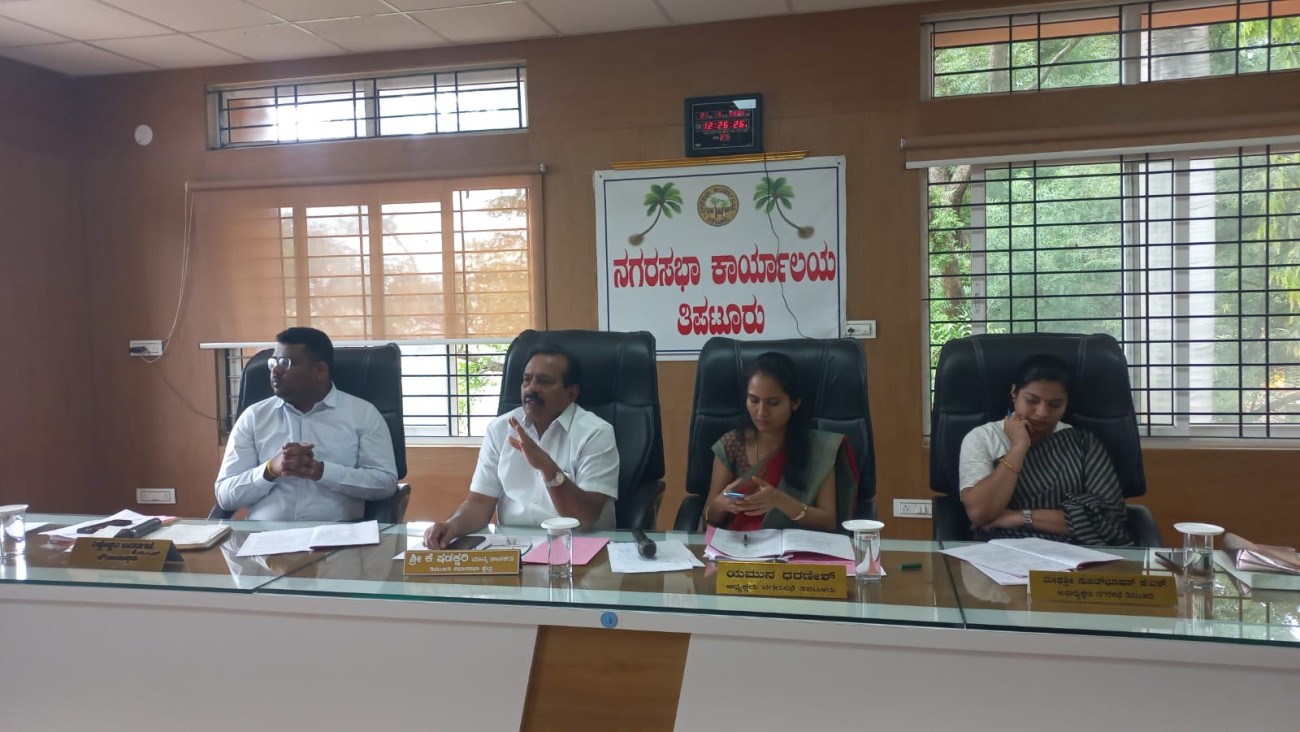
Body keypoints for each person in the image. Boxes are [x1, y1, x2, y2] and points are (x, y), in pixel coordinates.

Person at [423, 344, 619, 548]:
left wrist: (548, 469)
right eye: (526, 380)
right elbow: (479, 503)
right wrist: (452, 525)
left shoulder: (595, 433)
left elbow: (585, 518)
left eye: (544, 381)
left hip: (579, 548)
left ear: (571, 393)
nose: (531, 388)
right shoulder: (500, 429)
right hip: (513, 548)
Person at [214, 327, 398, 521]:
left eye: (285, 363)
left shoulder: (363, 414)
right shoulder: (253, 417)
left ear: (320, 370)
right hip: (265, 535)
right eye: (273, 363)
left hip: (337, 535)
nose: (275, 370)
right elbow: (225, 495)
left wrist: (323, 472)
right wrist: (270, 470)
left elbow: (385, 483)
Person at [958, 353, 1133, 546]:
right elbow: (981, 513)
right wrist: (1018, 448)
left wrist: (1018, 517)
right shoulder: (984, 438)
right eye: (1032, 401)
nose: (1042, 413)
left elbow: (1108, 522)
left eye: (1055, 404)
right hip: (1001, 548)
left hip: (1074, 550)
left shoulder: (1082, 443)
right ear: (1014, 392)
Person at [701, 352, 857, 532]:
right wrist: (720, 504)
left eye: (773, 403)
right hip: (741, 544)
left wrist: (780, 501)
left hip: (798, 545)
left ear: (795, 403)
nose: (761, 412)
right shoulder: (731, 444)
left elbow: (828, 522)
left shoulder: (820, 449)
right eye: (753, 400)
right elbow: (707, 520)